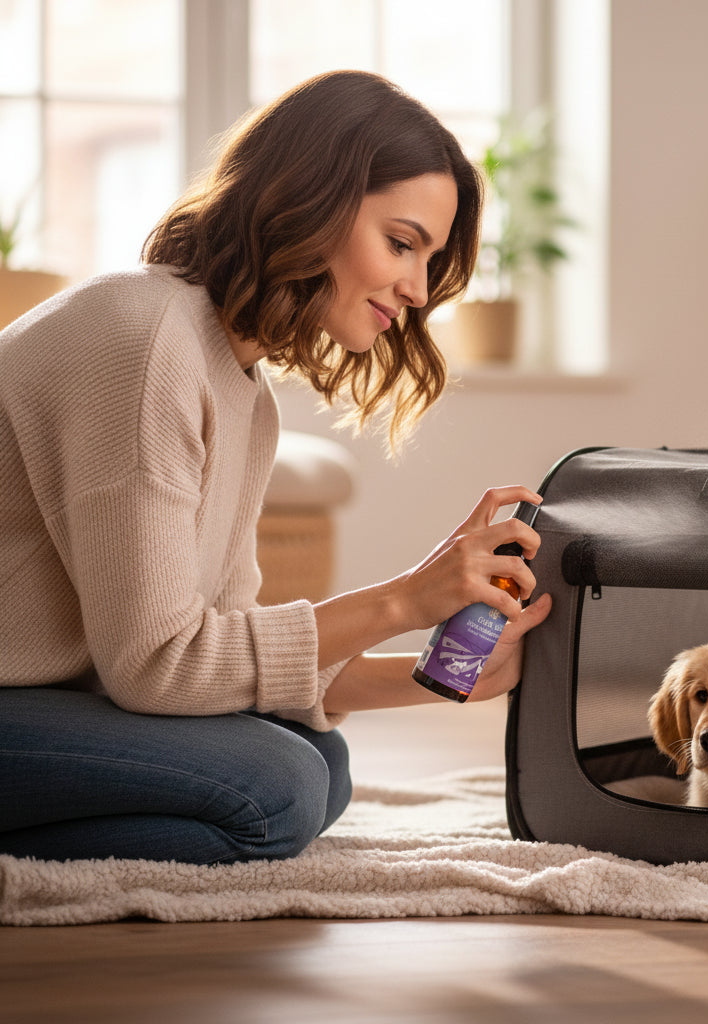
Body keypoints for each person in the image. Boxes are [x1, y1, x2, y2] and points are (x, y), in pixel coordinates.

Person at [0, 70, 552, 865]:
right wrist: (403, 599)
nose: (418, 289)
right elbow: (159, 669)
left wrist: (444, 678)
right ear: (310, 201)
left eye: (429, 260)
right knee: (279, 782)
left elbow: (222, 658)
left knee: (315, 762)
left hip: (43, 702)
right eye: (401, 243)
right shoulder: (144, 338)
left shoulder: (238, 384)